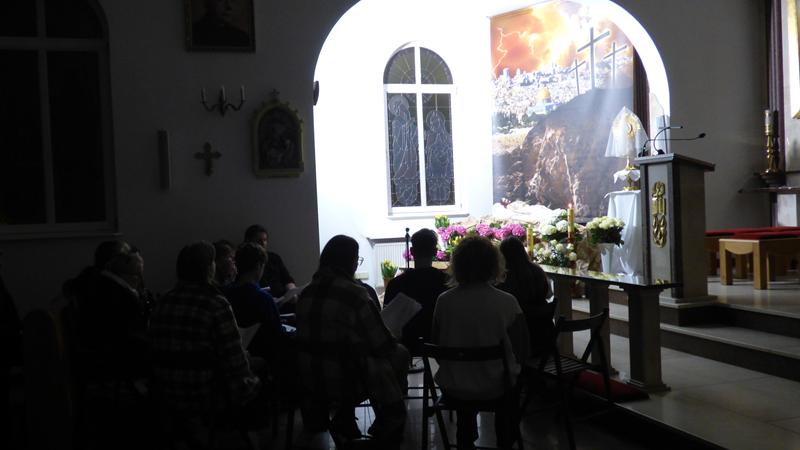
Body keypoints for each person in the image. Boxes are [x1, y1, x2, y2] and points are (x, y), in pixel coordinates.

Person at [296, 235, 408, 447]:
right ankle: (388, 419)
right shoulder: (356, 294)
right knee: (400, 354)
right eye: (357, 259)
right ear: (350, 262)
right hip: (345, 380)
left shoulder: (306, 293)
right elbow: (382, 345)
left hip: (309, 380)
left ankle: (345, 417)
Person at [432, 236, 529, 450]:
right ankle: (505, 438)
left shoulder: (444, 301)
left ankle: (465, 438)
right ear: (494, 265)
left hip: (454, 386)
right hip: (498, 386)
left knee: (466, 382)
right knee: (509, 386)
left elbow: (437, 346)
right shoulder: (507, 302)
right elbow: (522, 349)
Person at [148, 241, 261, 417]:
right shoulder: (215, 304)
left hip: (165, 390)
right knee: (260, 367)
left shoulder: (163, 301)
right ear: (209, 268)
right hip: (205, 392)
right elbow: (235, 361)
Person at [384, 228, 449, 352]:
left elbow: (388, 323)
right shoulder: (447, 282)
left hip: (407, 346)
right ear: (435, 252)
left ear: (412, 251)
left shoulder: (396, 284)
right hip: (439, 346)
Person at [497, 236, 554, 356]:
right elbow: (549, 294)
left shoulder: (503, 276)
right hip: (543, 335)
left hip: (519, 341)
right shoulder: (537, 270)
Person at [243, 224, 297, 300]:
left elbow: (287, 279)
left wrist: (292, 293)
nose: (263, 243)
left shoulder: (274, 257)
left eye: (265, 240)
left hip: (283, 300)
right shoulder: (244, 261)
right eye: (259, 241)